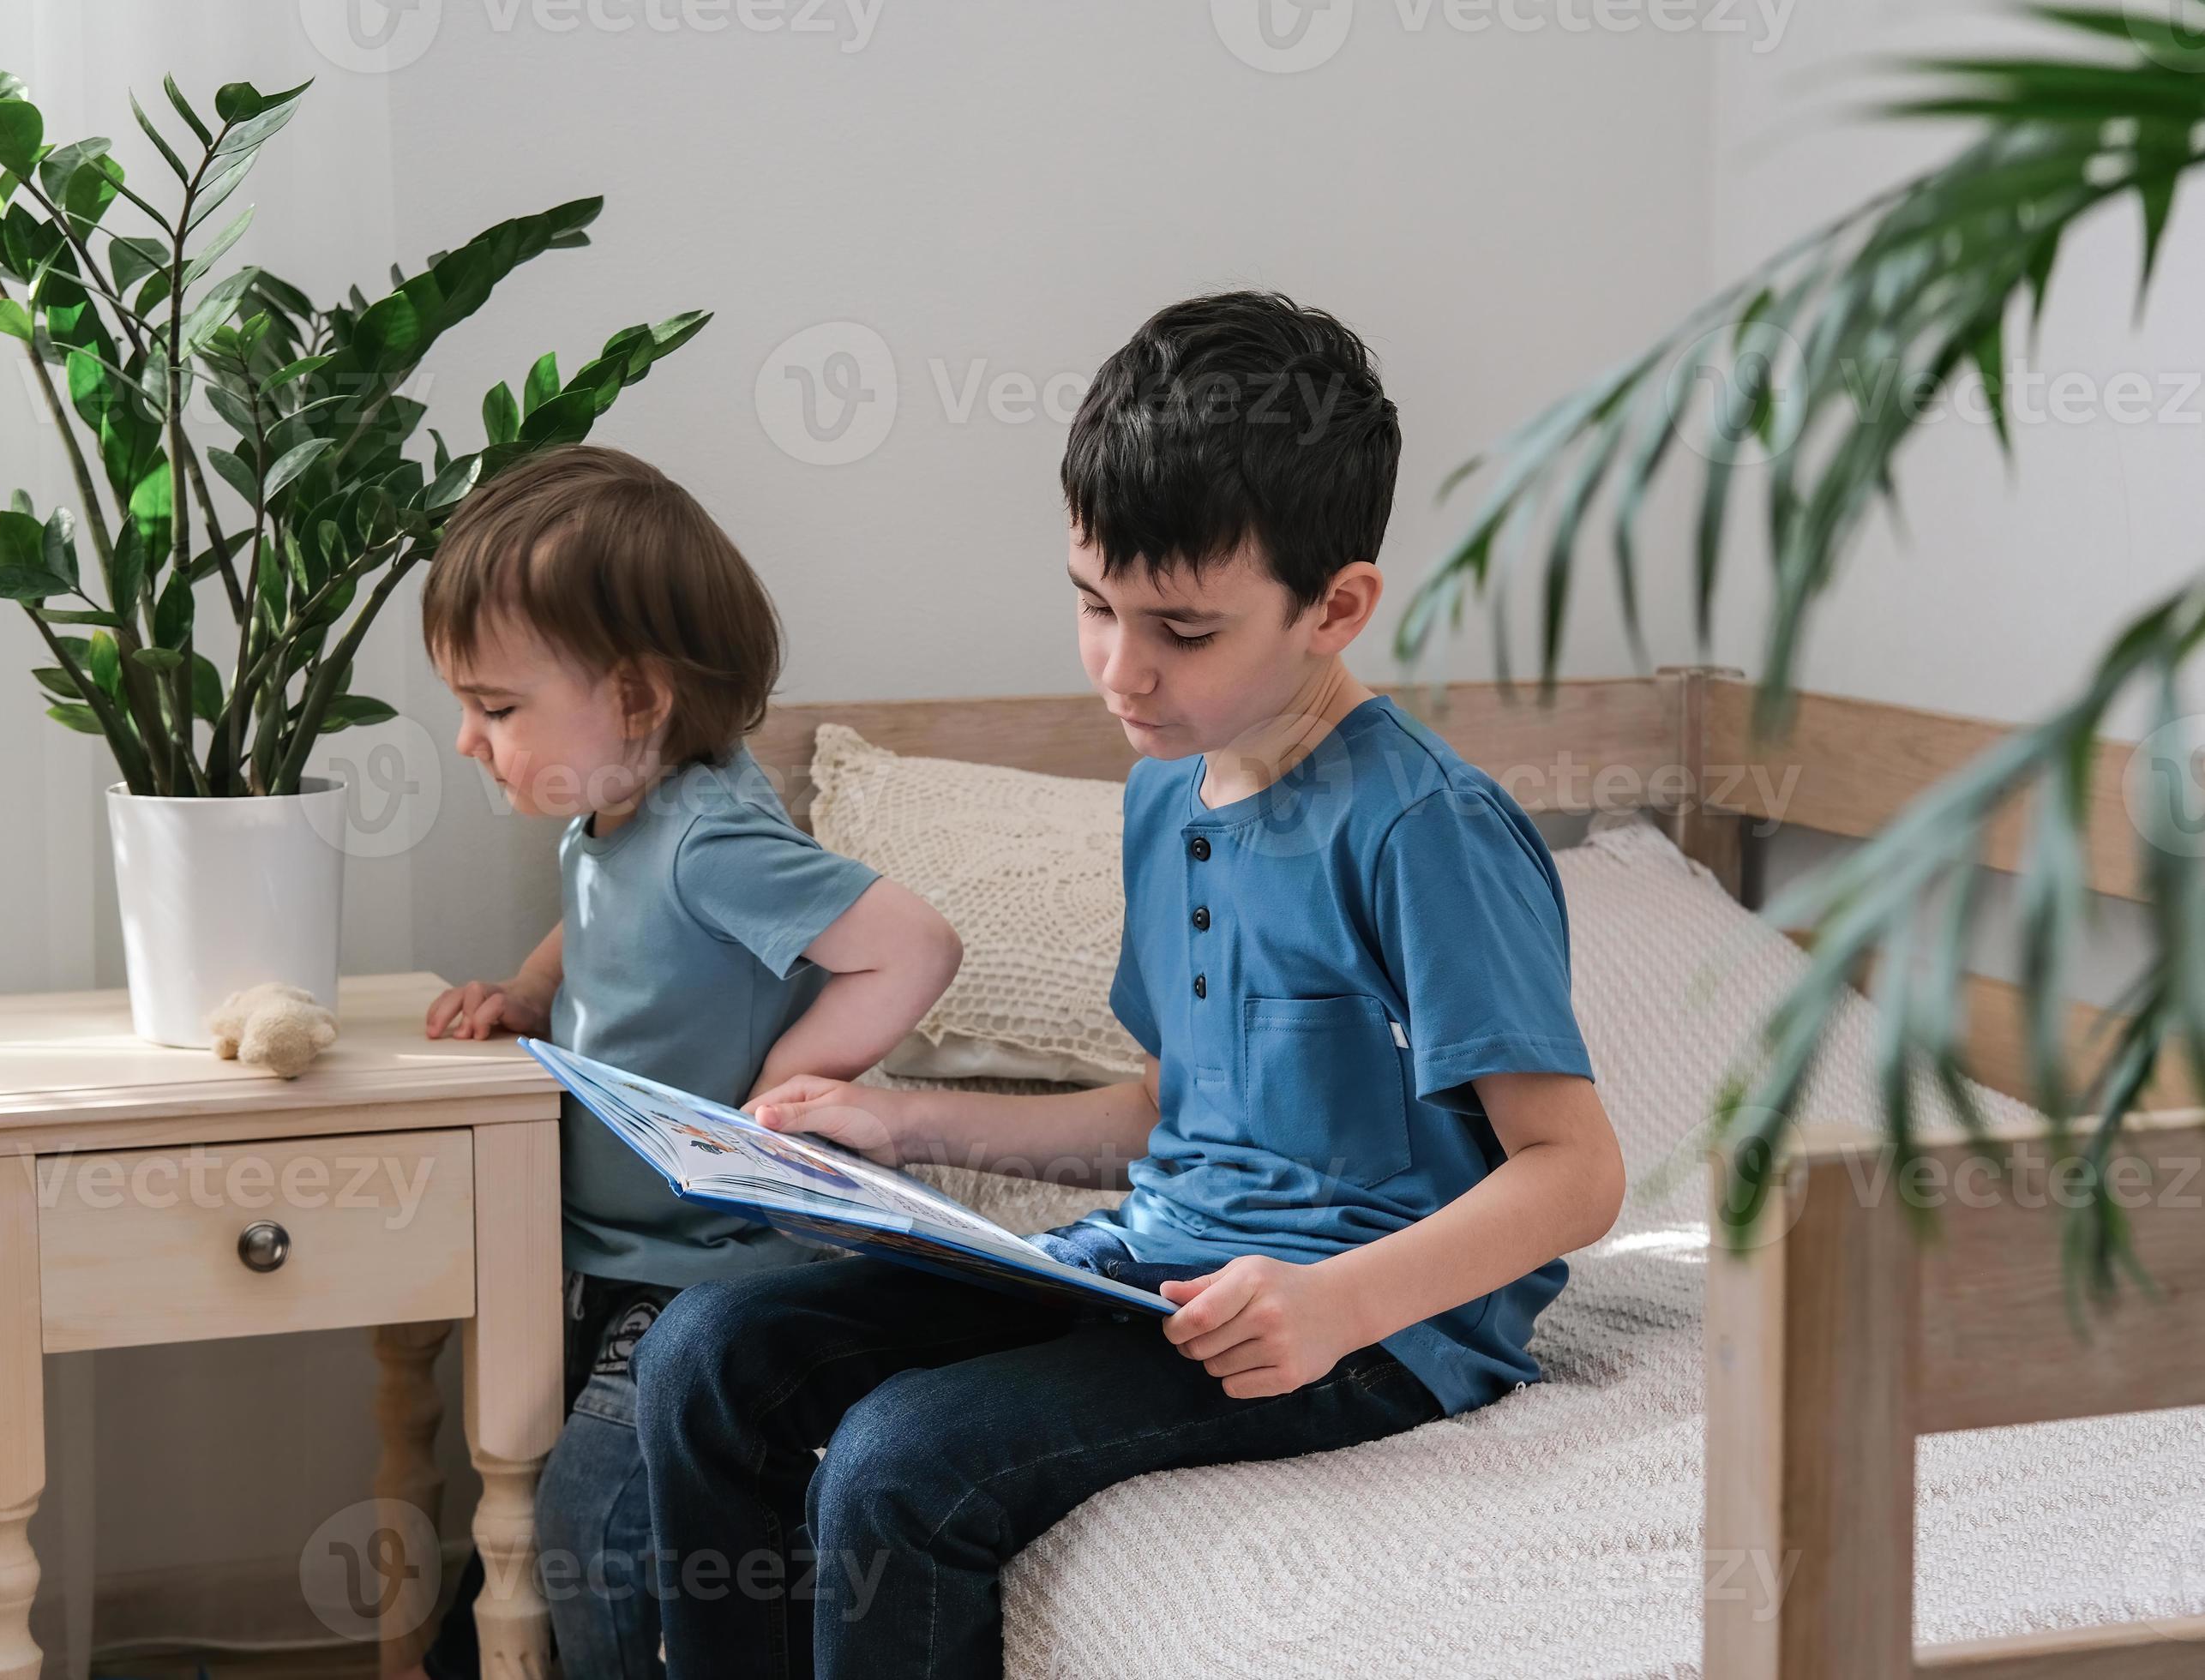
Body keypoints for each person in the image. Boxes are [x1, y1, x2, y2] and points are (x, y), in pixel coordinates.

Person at [629, 292, 1628, 1679]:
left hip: (1362, 1331)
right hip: (1158, 1273)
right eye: (1093, 606)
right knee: (709, 1351)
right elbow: (1165, 1108)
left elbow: (1573, 1171)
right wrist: (905, 1122)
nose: (1119, 667)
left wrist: (1337, 1305)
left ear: (1335, 608)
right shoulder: (1167, 794)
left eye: (1182, 629)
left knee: (901, 1462)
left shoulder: (1423, 829)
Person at [408, 444, 963, 1680]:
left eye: (496, 709)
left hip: (709, 1270)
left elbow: (914, 945)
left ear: (638, 702)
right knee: (540, 1511)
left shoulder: (714, 837)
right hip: (623, 1260)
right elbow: (607, 916)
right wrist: (530, 990)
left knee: (593, 1531)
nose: (466, 741)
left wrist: (787, 1088)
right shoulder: (617, 818)